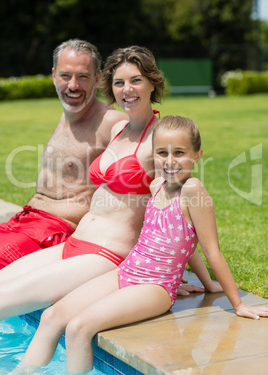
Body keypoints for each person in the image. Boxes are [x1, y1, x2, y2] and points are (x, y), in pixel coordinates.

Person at [9, 115, 268, 375]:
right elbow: (186, 244)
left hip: (155, 286)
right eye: (161, 153)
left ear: (198, 154)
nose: (169, 161)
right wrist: (208, 284)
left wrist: (238, 304)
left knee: (78, 328)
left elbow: (212, 250)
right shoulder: (156, 185)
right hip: (126, 272)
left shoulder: (193, 189)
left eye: (179, 153)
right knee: (51, 317)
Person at [0, 46, 217, 322]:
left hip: (106, 254)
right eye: (119, 82)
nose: (127, 89)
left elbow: (176, 217)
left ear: (153, 83)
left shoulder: (160, 140)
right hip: (75, 242)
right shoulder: (117, 130)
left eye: (136, 80)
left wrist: (182, 277)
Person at [0, 39, 126, 269]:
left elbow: (146, 190)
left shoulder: (112, 121)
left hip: (56, 232)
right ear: (53, 75)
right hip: (26, 222)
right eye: (65, 75)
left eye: (83, 77)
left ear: (98, 79)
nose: (73, 85)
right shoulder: (68, 114)